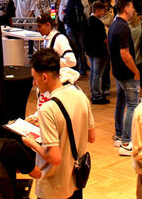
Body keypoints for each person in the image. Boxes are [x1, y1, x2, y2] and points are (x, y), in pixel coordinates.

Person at [23, 48, 95, 199]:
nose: (34, 83)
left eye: (34, 78)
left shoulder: (47, 109)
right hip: (76, 180)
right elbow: (91, 136)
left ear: (44, 77)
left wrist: (32, 143)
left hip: (54, 187)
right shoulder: (80, 95)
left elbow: (55, 158)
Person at [108, 0, 141, 156]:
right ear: (126, 8)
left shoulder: (114, 25)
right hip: (126, 73)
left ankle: (120, 135)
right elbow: (125, 54)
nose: (133, 10)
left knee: (120, 104)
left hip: (117, 72)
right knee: (132, 105)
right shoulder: (123, 27)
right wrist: (135, 71)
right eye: (132, 7)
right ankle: (126, 142)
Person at [84, 1, 109, 104]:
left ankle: (93, 92)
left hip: (90, 51)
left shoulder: (87, 21)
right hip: (99, 52)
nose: (104, 13)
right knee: (98, 74)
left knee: (93, 73)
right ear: (98, 10)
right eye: (103, 10)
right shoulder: (98, 23)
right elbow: (104, 39)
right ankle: (97, 96)